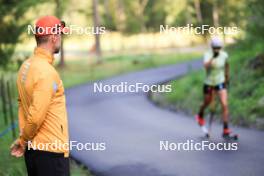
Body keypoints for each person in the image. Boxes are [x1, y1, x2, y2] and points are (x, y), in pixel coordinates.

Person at [10, 16, 70, 176]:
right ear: (53, 37)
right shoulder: (47, 72)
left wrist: (24, 140)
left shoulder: (26, 66)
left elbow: (22, 105)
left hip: (34, 152)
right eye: (60, 35)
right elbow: (36, 116)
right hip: (51, 153)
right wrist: (23, 141)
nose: (61, 39)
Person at [195, 37, 235, 139]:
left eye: (218, 48)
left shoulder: (224, 55)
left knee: (224, 105)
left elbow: (227, 65)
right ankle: (200, 114)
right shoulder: (208, 54)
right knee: (207, 102)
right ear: (211, 47)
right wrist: (213, 57)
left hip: (220, 82)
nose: (216, 50)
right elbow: (205, 66)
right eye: (215, 48)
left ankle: (226, 130)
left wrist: (227, 77)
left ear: (221, 47)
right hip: (209, 82)